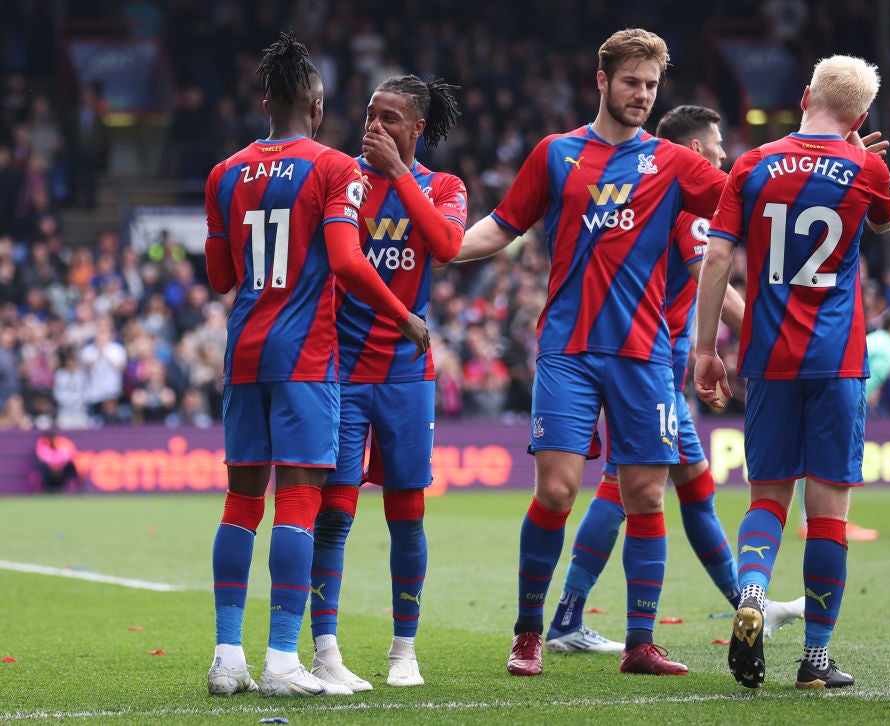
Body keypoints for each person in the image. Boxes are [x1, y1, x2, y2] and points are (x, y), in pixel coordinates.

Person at [455, 28, 728, 677]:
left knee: (645, 497)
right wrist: (447, 246)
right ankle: (528, 632)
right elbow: (502, 224)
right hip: (568, 350)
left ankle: (639, 643)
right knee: (554, 491)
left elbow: (742, 196)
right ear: (601, 81)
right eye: (632, 82)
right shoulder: (556, 154)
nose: (642, 94)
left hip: (642, 354)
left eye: (652, 85)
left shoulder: (673, 162)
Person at [204, 32, 429, 699]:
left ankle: (226, 658)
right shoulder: (335, 169)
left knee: (241, 501)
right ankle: (280, 660)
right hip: (305, 356)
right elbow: (346, 260)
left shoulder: (224, 173)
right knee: (299, 501)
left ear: (265, 97)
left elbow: (220, 275)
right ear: (317, 101)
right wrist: (404, 316)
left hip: (244, 350)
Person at [544, 105, 803, 657]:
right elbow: (712, 279)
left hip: (653, 363)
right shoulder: (685, 206)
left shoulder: (665, 193)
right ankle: (574, 617)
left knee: (690, 489)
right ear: (691, 151)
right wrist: (776, 346)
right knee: (632, 486)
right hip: (646, 367)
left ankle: (747, 604)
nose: (723, 156)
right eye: (715, 147)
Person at [694, 55, 890, 690]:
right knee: (829, 510)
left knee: (767, 498)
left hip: (769, 358)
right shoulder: (868, 165)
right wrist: (854, 158)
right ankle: (814, 660)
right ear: (860, 117)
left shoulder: (752, 165)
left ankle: (751, 593)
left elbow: (719, 255)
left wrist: (707, 349)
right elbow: (886, 221)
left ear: (805, 94)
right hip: (837, 362)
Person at [308, 74, 465, 692]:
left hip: (406, 375)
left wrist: (400, 173)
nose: (374, 126)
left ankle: (404, 651)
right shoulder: (341, 180)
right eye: (371, 115)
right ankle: (326, 650)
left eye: (391, 118)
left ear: (418, 128)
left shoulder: (441, 187)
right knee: (333, 516)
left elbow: (449, 245)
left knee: (408, 515)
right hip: (341, 370)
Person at [797, 312, 890, 540]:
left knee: (810, 457)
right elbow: (870, 381)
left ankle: (807, 521)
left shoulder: (876, 339)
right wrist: (854, 409)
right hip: (839, 400)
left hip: (818, 387)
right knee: (839, 460)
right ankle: (836, 521)